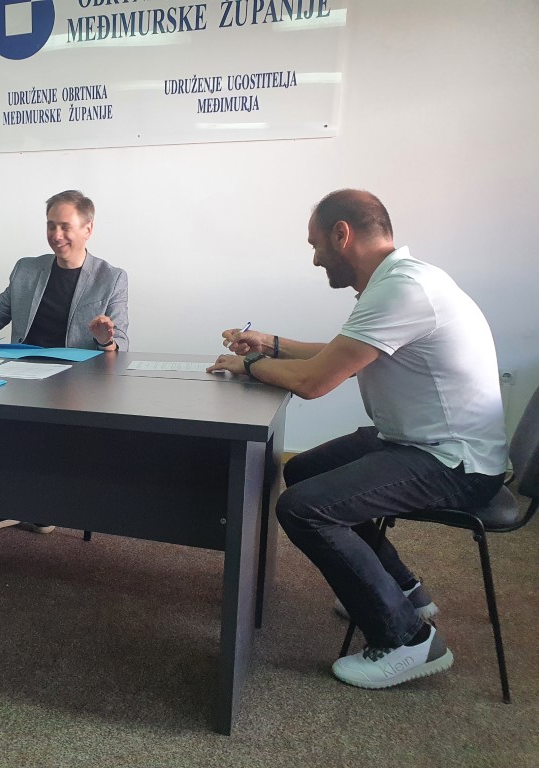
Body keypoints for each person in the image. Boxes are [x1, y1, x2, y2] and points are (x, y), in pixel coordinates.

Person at [207, 189, 507, 690]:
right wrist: (270, 343)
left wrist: (249, 364)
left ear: (341, 234)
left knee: (303, 508)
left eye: (316, 245)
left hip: (455, 463)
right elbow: (342, 352)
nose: (315, 259)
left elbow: (315, 381)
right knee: (303, 469)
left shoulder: (403, 289)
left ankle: (408, 638)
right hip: (419, 441)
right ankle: (403, 590)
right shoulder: (400, 280)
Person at [0, 189, 129, 538]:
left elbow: (120, 346)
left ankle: (26, 506)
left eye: (65, 226)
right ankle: (13, 505)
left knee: (32, 429)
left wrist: (104, 338)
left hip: (75, 381)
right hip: (19, 373)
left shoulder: (111, 277)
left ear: (88, 229)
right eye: (51, 225)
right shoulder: (27, 269)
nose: (56, 235)